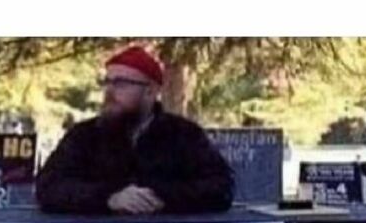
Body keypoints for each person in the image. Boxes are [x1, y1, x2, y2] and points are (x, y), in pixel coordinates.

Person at [36, 46, 234, 214]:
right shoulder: (84, 136)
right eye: (107, 82)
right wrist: (109, 198)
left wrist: (159, 196)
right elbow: (48, 188)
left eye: (120, 83)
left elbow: (221, 188)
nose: (110, 92)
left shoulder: (184, 135)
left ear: (150, 91)